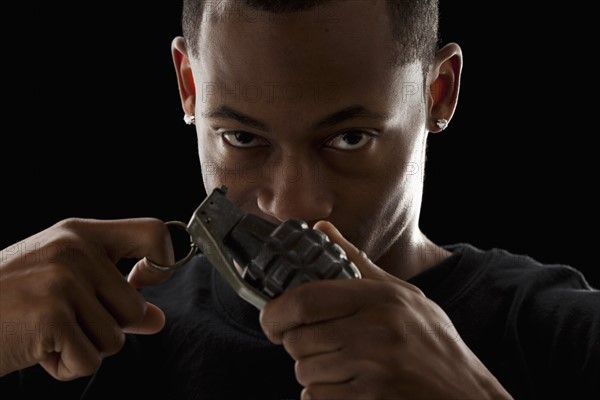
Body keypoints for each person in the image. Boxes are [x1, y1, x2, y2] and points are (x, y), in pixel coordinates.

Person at [1, 0, 598, 399]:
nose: (292, 205)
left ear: (438, 92)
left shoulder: (570, 336)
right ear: (189, 85)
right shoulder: (72, 338)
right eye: (242, 139)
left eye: (348, 138)